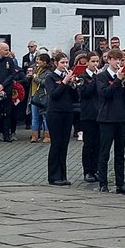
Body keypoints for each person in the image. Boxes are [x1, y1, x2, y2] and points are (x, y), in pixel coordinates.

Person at [95, 51, 125, 194]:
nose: (119, 62)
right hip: (107, 118)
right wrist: (118, 80)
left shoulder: (123, 76)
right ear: (109, 60)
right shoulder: (101, 76)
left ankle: (120, 183)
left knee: (120, 153)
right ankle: (103, 183)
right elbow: (105, 93)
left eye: (121, 60)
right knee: (104, 152)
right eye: (116, 59)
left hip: (122, 118)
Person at [43, 54, 77, 185]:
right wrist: (64, 82)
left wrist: (73, 85)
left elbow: (75, 97)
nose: (65, 65)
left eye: (67, 62)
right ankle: (53, 176)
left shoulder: (67, 77)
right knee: (56, 144)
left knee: (64, 145)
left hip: (67, 112)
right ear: (56, 63)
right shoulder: (50, 77)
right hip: (55, 113)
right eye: (62, 62)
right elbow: (54, 95)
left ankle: (63, 175)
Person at [78, 53, 102, 182]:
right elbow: (85, 92)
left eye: (97, 61)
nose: (95, 64)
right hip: (87, 114)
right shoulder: (83, 77)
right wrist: (95, 80)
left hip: (99, 113)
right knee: (88, 144)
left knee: (98, 144)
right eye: (93, 61)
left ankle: (96, 169)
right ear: (87, 62)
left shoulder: (99, 76)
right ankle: (87, 171)